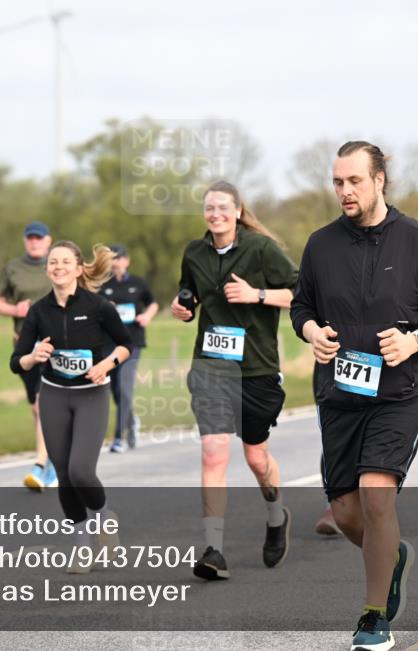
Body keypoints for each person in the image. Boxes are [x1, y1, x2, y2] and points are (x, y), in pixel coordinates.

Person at [290, 141, 418, 651]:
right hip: (339, 394)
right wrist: (311, 334)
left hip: (398, 393)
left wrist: (414, 340)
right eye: (338, 182)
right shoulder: (320, 244)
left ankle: (373, 617)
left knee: (375, 492)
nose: (345, 191)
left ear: (379, 180)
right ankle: (393, 557)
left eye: (355, 182)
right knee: (346, 512)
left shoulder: (417, 241)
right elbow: (302, 306)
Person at [170, 180, 298, 581]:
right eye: (209, 208)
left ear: (239, 211)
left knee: (257, 457)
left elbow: (301, 293)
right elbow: (187, 290)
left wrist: (257, 295)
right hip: (210, 366)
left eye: (223, 208)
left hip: (256, 370)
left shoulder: (261, 250)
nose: (215, 215)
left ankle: (277, 516)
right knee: (213, 453)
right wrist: (182, 306)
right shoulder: (194, 252)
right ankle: (214, 549)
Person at [10, 241, 131, 573]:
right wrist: (33, 357)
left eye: (65, 261)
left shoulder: (98, 306)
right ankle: (81, 544)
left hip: (91, 395)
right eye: (53, 262)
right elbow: (15, 362)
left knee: (81, 471)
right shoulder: (39, 311)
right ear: (47, 269)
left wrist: (106, 364)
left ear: (79, 269)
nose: (58, 266)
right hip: (53, 395)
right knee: (63, 474)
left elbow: (125, 345)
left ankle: (105, 518)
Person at [0, 222, 57, 491]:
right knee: (36, 406)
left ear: (48, 240)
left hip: (54, 345)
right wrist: (14, 310)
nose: (34, 243)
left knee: (44, 402)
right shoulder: (13, 268)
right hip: (24, 345)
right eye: (30, 238)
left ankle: (40, 464)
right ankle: (53, 458)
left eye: (39, 238)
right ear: (25, 241)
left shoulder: (56, 264)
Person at [99, 244, 158, 452]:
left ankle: (119, 438)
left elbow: (152, 303)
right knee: (115, 389)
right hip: (109, 343)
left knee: (124, 388)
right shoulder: (103, 285)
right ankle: (132, 422)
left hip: (132, 342)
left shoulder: (138, 283)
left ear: (126, 261)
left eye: (119, 258)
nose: (116, 262)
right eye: (112, 258)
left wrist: (147, 316)